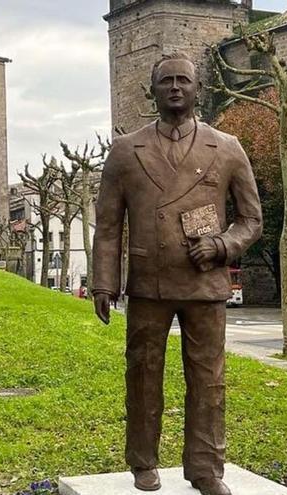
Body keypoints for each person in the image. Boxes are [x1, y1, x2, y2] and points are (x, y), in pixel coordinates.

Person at [92, 52, 262, 495]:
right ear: (152, 90)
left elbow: (251, 219)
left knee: (208, 380)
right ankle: (143, 462)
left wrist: (223, 245)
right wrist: (104, 283)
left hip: (205, 283)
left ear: (197, 89)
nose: (174, 87)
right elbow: (109, 225)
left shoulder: (226, 147)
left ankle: (206, 468)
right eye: (165, 80)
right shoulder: (126, 150)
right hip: (150, 283)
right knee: (143, 375)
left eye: (183, 80)